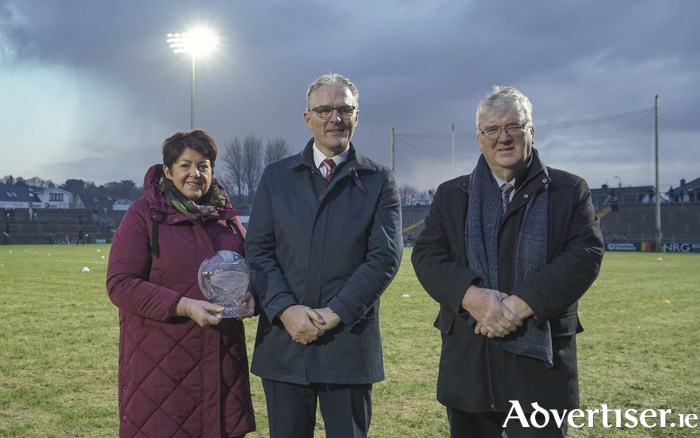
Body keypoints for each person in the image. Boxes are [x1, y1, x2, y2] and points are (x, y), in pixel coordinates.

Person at [411, 86, 604, 438]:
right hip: (470, 365)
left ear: (530, 131)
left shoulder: (568, 190)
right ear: (480, 137)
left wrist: (518, 305)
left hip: (540, 373)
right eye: (492, 129)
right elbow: (426, 255)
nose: (503, 138)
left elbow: (584, 256)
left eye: (513, 126)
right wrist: (473, 298)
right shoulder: (452, 195)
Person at [245, 73, 403, 438]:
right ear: (308, 118)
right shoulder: (276, 176)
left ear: (357, 116)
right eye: (325, 110)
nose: (336, 118)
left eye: (344, 109)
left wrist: (336, 314)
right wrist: (285, 310)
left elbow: (384, 257)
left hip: (346, 345)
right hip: (285, 344)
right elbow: (258, 250)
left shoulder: (380, 180)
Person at [106, 129, 256, 438]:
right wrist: (183, 306)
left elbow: (251, 273)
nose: (195, 173)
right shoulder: (143, 216)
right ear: (168, 170)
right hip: (160, 367)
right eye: (185, 164)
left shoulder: (228, 220)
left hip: (223, 365)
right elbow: (120, 284)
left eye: (203, 165)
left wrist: (252, 298)